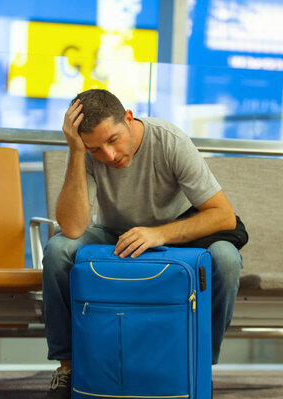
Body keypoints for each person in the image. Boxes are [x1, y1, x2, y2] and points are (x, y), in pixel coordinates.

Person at [42, 89, 247, 398]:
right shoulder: (84, 152)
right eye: (95, 148)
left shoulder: (169, 141)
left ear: (128, 118)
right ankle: (68, 367)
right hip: (113, 236)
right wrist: (75, 151)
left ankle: (199, 364)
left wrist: (159, 234)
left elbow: (223, 217)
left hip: (175, 239)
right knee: (58, 250)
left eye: (112, 140)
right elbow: (72, 228)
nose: (108, 156)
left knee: (227, 260)